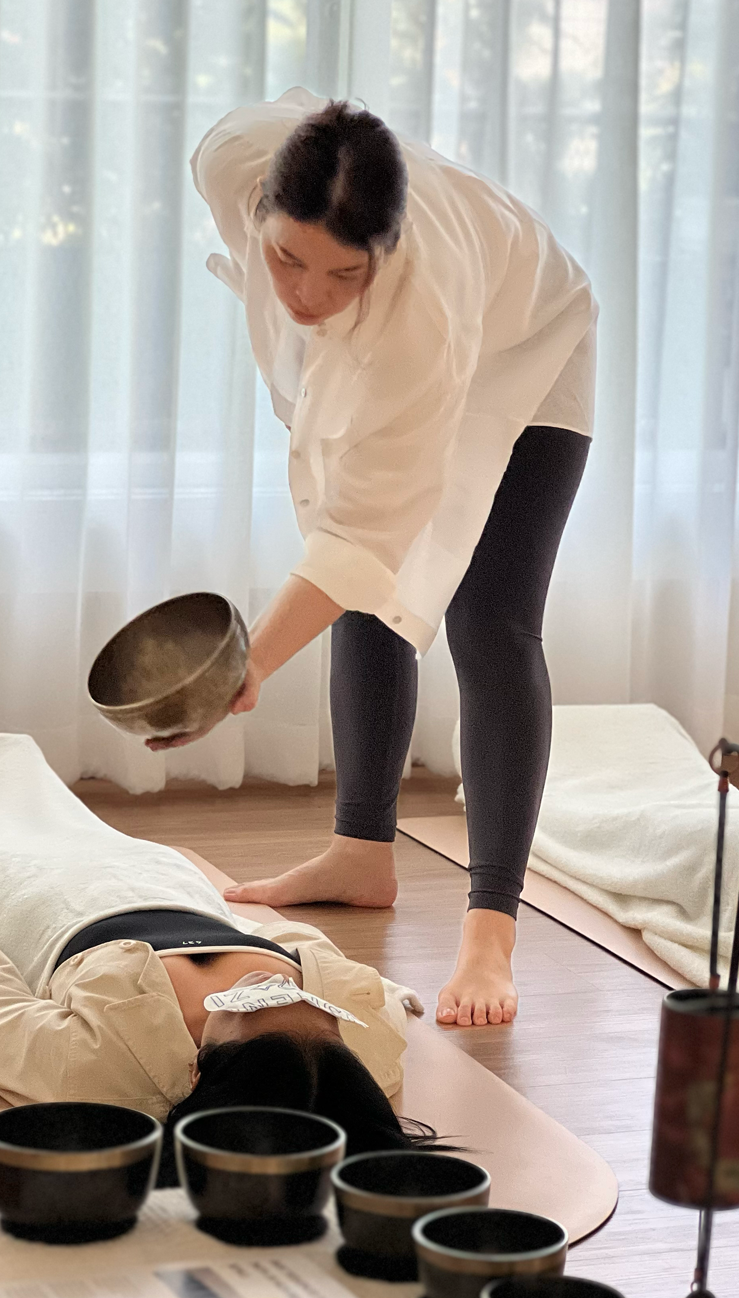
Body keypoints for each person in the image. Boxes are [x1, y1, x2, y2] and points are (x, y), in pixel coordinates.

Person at [158, 90, 596, 1031]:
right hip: (386, 353)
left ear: (385, 254)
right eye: (285, 258)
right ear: (259, 205)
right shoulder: (233, 158)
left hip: (529, 345)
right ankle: (362, 855)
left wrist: (252, 664)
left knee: (491, 620)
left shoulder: (423, 316)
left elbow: (365, 536)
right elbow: (351, 549)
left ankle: (490, 931)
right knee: (360, 597)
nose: (306, 293)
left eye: (341, 273)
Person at [0, 732, 434, 1177]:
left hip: (35, 903)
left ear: (197, 1070)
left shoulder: (102, 1072)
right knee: (35, 788)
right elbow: (306, 944)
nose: (267, 989)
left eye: (247, 1008)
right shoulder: (369, 1043)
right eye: (294, 1001)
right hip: (162, 882)